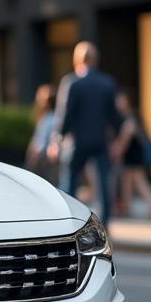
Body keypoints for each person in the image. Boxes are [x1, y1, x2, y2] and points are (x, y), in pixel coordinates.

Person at [49, 41, 121, 225]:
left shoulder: (72, 82)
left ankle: (68, 221)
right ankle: (105, 222)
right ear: (95, 59)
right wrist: (116, 142)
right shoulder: (107, 83)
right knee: (104, 183)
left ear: (77, 59)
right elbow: (114, 117)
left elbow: (65, 115)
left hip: (77, 141)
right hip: (100, 140)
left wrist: (57, 139)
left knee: (69, 183)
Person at [112, 91, 151, 220]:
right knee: (127, 181)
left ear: (127, 102)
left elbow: (126, 136)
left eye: (120, 100)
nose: (117, 103)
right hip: (131, 156)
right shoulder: (129, 117)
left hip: (133, 156)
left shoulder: (130, 118)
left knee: (139, 181)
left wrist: (118, 150)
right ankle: (127, 207)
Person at [26, 84, 57, 182]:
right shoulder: (47, 117)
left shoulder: (49, 119)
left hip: (44, 159)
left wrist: (34, 155)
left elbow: (41, 142)